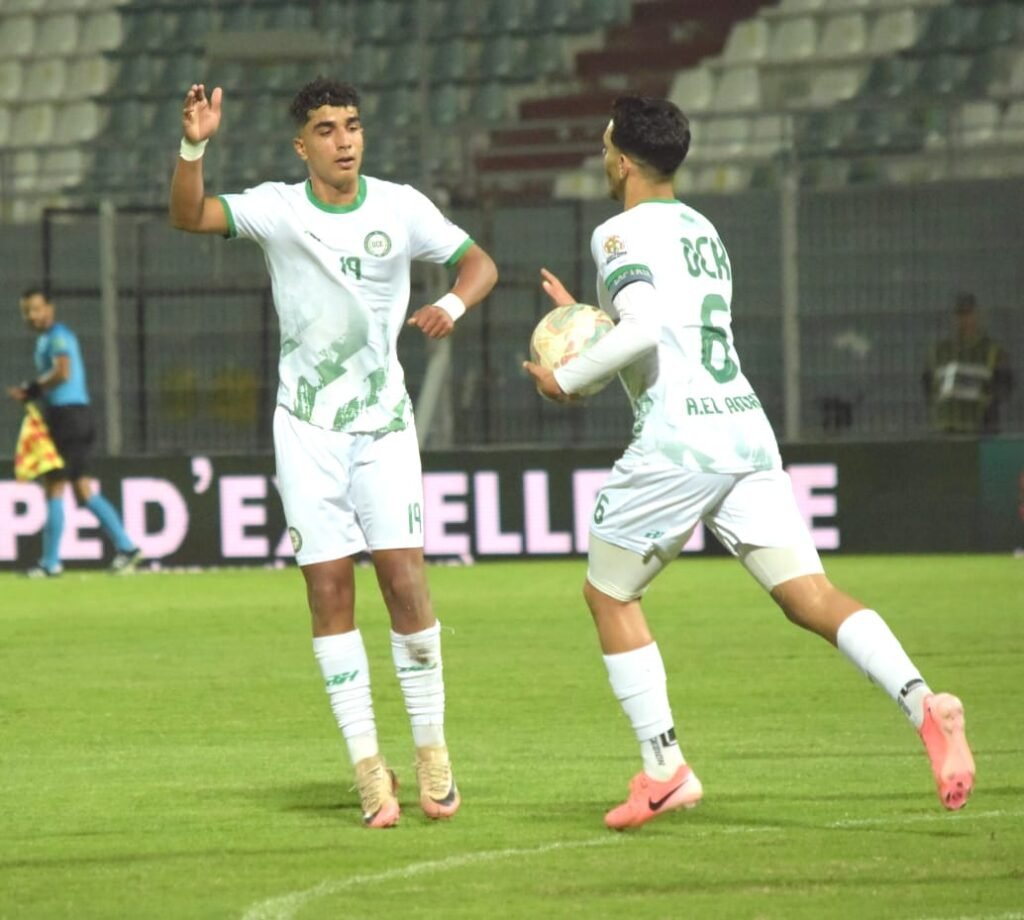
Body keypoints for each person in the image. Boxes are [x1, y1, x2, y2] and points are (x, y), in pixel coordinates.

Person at [523, 95, 974, 830]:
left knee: (609, 595)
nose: (603, 157)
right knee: (811, 596)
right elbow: (670, 332)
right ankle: (923, 702)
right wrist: (591, 326)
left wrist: (566, 377)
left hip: (678, 443)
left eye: (606, 147)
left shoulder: (615, 233)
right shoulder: (704, 231)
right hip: (742, 430)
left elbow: (645, 328)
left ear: (624, 161)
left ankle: (665, 770)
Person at [169, 77, 498, 828]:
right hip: (307, 429)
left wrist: (451, 302)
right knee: (328, 592)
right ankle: (367, 767)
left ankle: (432, 752)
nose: (344, 140)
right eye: (326, 129)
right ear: (302, 145)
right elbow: (189, 214)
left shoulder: (401, 206)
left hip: (383, 426)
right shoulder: (279, 210)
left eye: (352, 125)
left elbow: (480, 262)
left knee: (405, 584)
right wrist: (193, 145)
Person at [6, 289, 143, 578]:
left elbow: (63, 372)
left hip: (68, 418)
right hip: (74, 416)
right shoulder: (47, 338)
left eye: (36, 308)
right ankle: (127, 547)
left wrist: (33, 388)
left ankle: (50, 563)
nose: (32, 316)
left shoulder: (58, 336)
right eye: (27, 311)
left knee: (54, 485)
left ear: (50, 308)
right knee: (82, 488)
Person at [923, 292, 1013, 435]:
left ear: (978, 316)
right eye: (960, 314)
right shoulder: (939, 353)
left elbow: (1004, 387)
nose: (964, 320)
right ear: (953, 318)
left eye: (969, 313)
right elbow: (928, 387)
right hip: (946, 433)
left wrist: (987, 408)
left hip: (981, 433)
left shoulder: (993, 352)